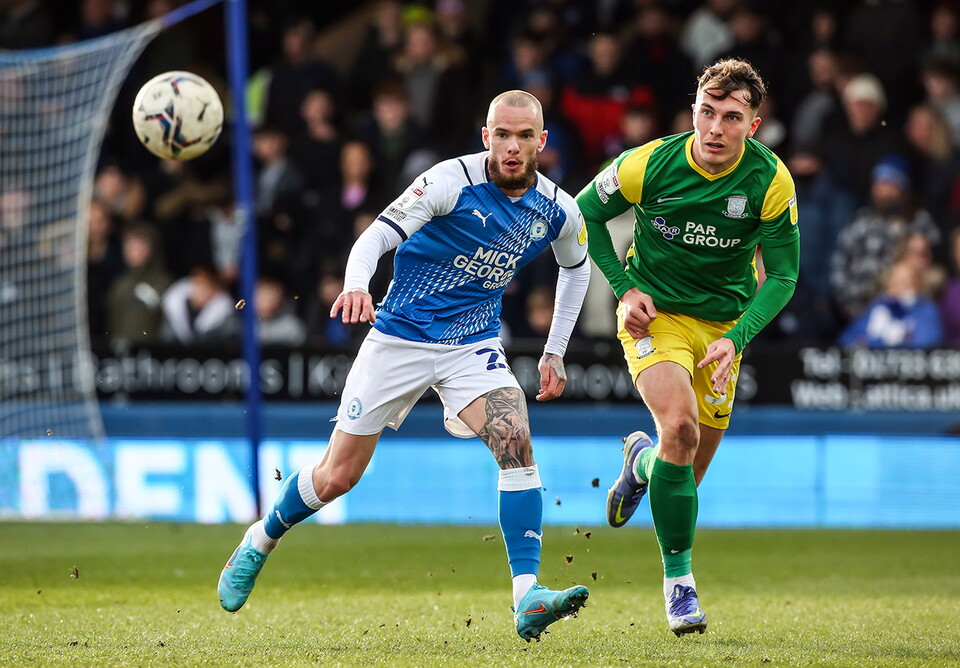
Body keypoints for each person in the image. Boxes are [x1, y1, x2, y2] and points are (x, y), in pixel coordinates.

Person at [218, 90, 592, 641]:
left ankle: (527, 595)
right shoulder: (447, 182)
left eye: (525, 136)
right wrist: (355, 285)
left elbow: (577, 268)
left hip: (472, 344)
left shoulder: (559, 209)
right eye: (502, 135)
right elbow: (375, 237)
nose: (513, 147)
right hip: (399, 337)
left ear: (542, 141)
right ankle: (260, 540)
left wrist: (555, 347)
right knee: (338, 475)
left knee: (516, 438)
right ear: (486, 136)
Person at [575, 58, 800, 636]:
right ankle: (680, 588)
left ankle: (640, 463)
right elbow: (584, 216)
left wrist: (736, 337)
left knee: (682, 475)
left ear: (754, 125)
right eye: (706, 112)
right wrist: (624, 291)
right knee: (680, 427)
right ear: (692, 110)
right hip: (658, 320)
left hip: (723, 331)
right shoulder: (647, 163)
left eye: (731, 117)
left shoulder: (771, 182)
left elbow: (781, 276)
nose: (715, 128)